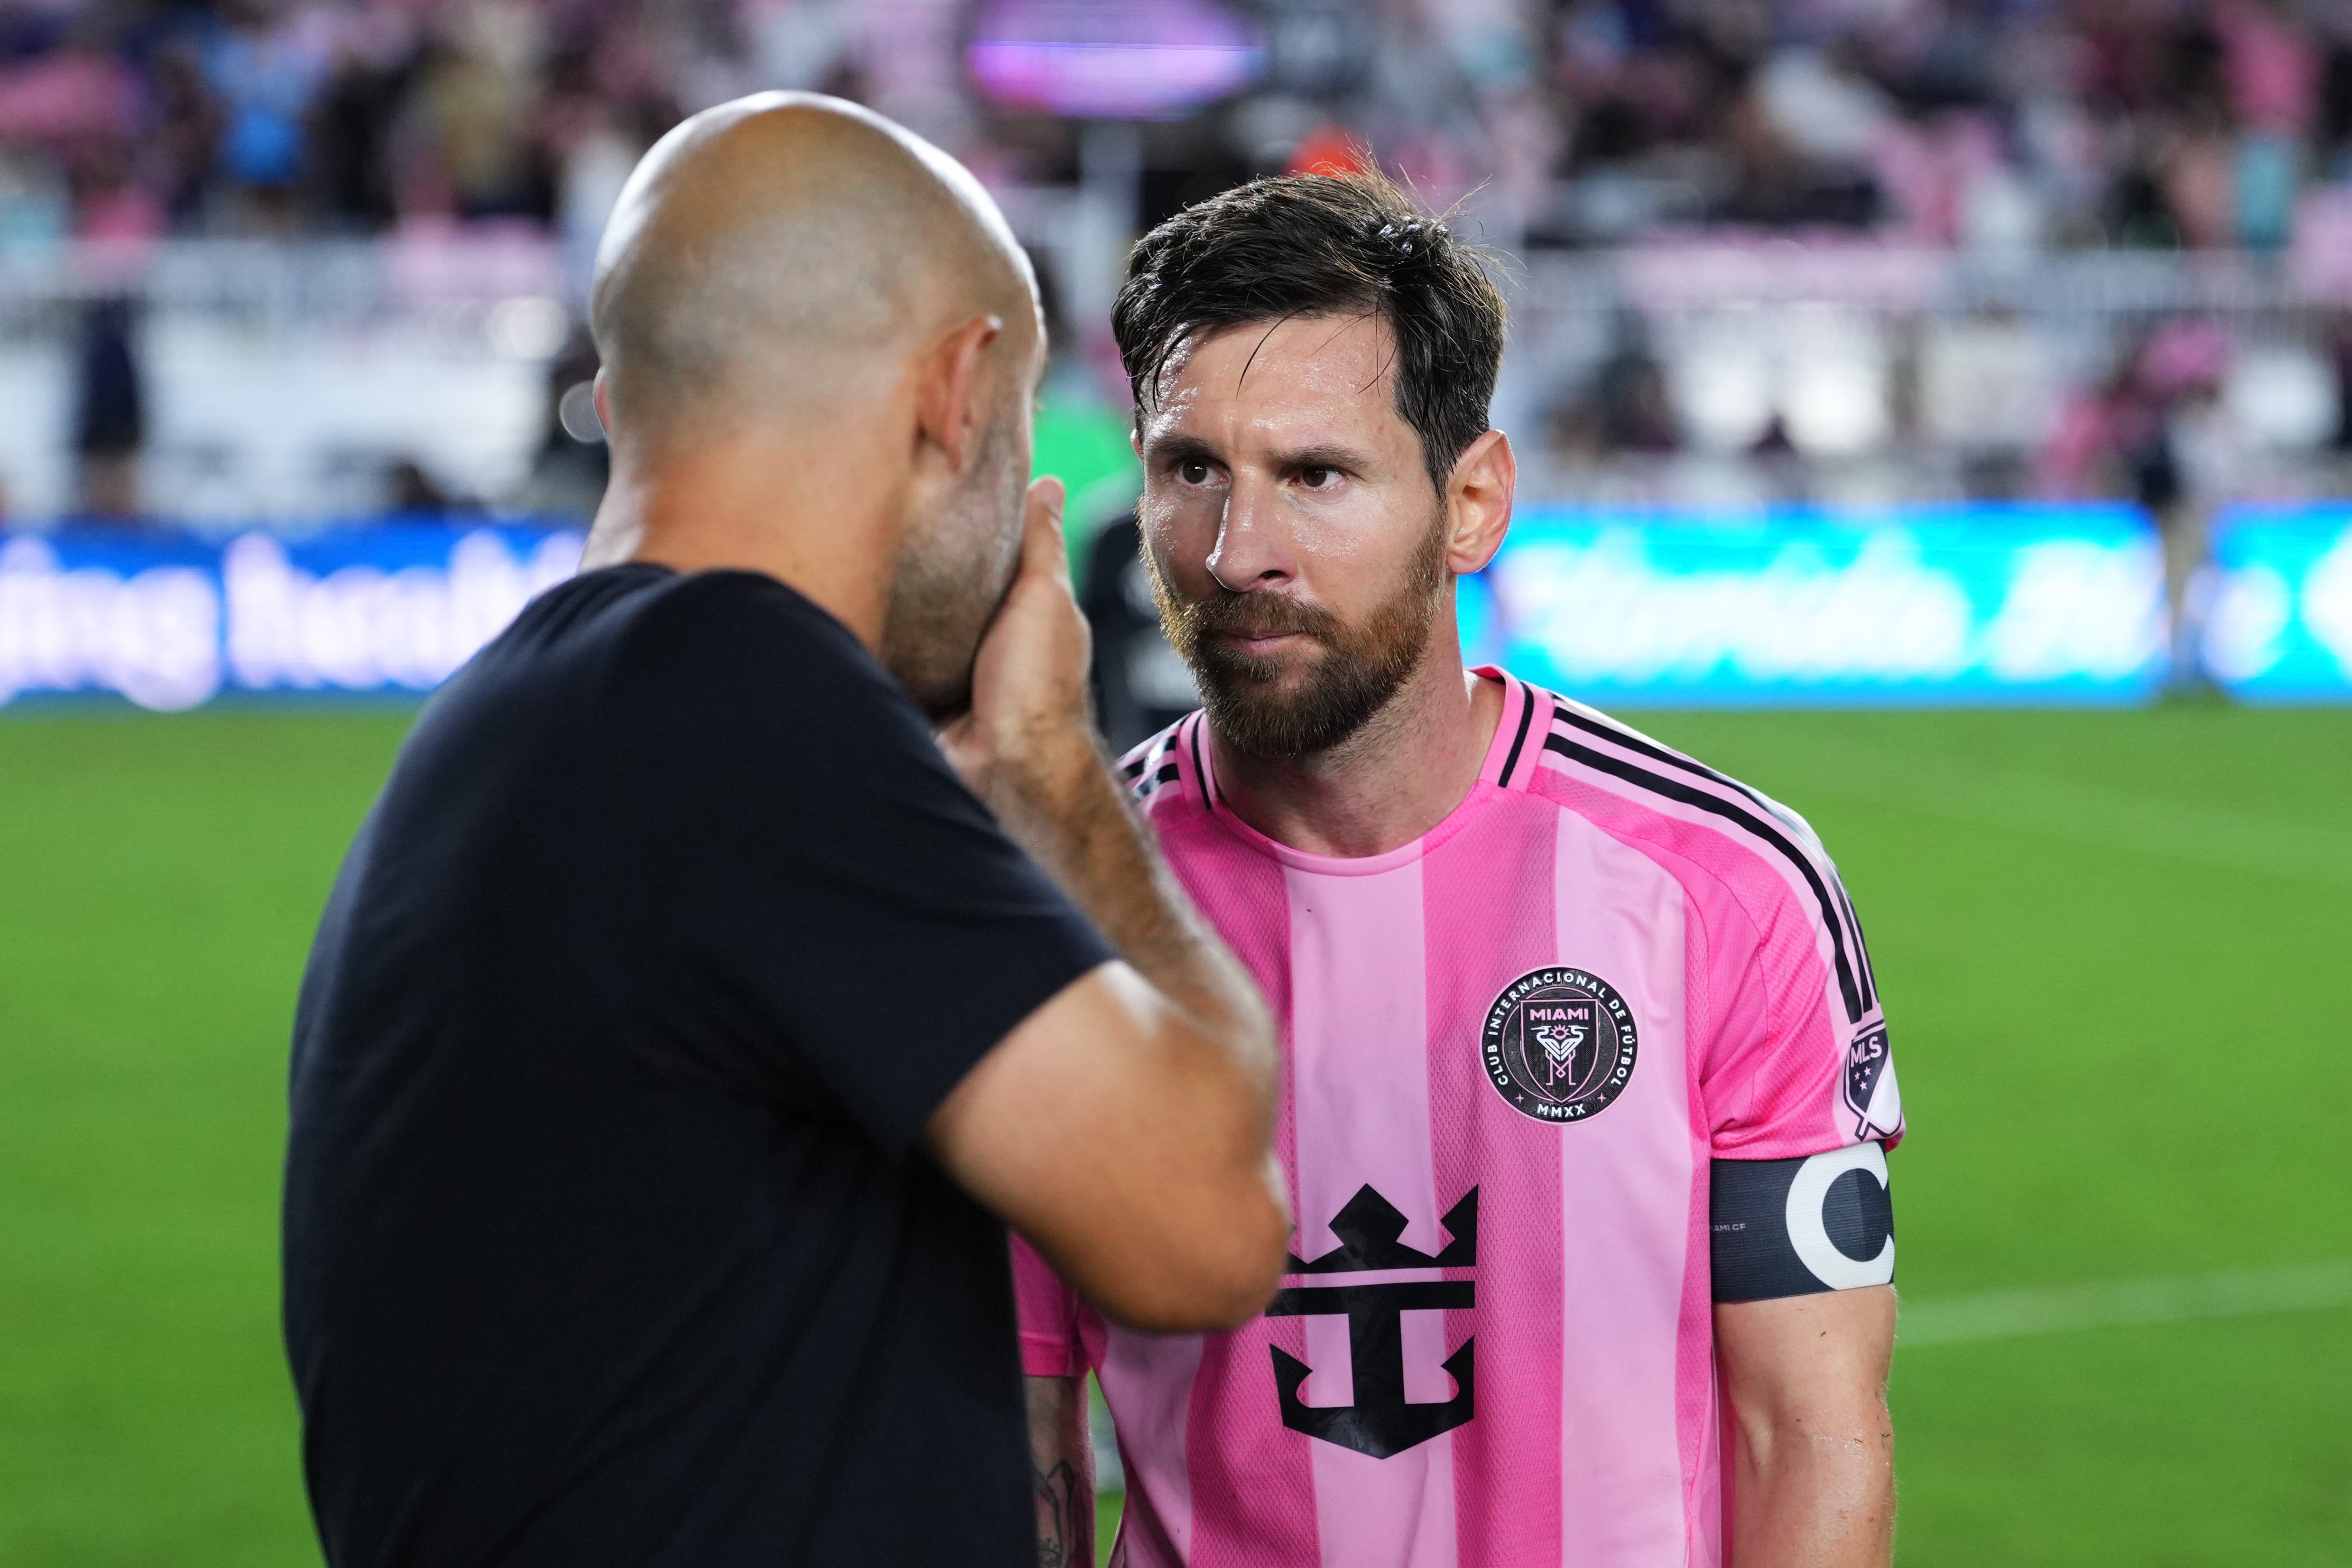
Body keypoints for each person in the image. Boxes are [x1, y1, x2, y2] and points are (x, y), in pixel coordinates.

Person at [281, 93, 1290, 1568]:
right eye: (1014, 442)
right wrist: (1048, 766)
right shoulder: (738, 707)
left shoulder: (514, 728)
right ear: (956, 397)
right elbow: (1206, 1224)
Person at [1016, 173, 1905, 1568]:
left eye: (1316, 475)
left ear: (1474, 499)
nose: (1241, 552)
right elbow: (1025, 1440)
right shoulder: (1046, 909)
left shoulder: (1725, 888)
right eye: (1194, 469)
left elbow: (1809, 1433)